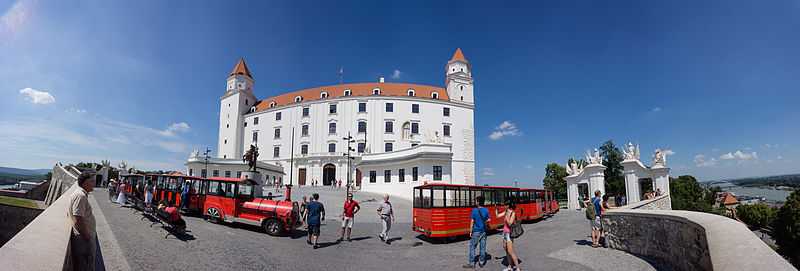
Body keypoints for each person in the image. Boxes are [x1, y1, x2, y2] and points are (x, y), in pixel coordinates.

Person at [69, 171, 97, 271]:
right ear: (85, 183)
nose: (94, 183)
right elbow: (78, 218)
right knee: (86, 266)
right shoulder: (81, 196)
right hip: (83, 239)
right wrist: (87, 236)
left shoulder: (80, 194)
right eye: (92, 181)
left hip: (83, 237)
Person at [463, 195, 489, 269]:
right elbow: (488, 220)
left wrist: (470, 231)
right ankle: (481, 262)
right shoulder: (486, 210)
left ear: (478, 202)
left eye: (476, 200)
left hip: (476, 231)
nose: (475, 202)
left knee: (472, 247)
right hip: (483, 231)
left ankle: (472, 263)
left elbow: (472, 222)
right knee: (482, 247)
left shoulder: (474, 210)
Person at [496, 200, 521, 271]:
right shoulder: (506, 212)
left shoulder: (512, 213)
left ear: (508, 205)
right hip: (505, 233)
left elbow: (510, 223)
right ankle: (510, 266)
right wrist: (496, 210)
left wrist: (507, 216)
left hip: (509, 234)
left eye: (505, 205)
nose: (504, 206)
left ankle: (518, 268)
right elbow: (497, 216)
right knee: (506, 250)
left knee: (510, 251)